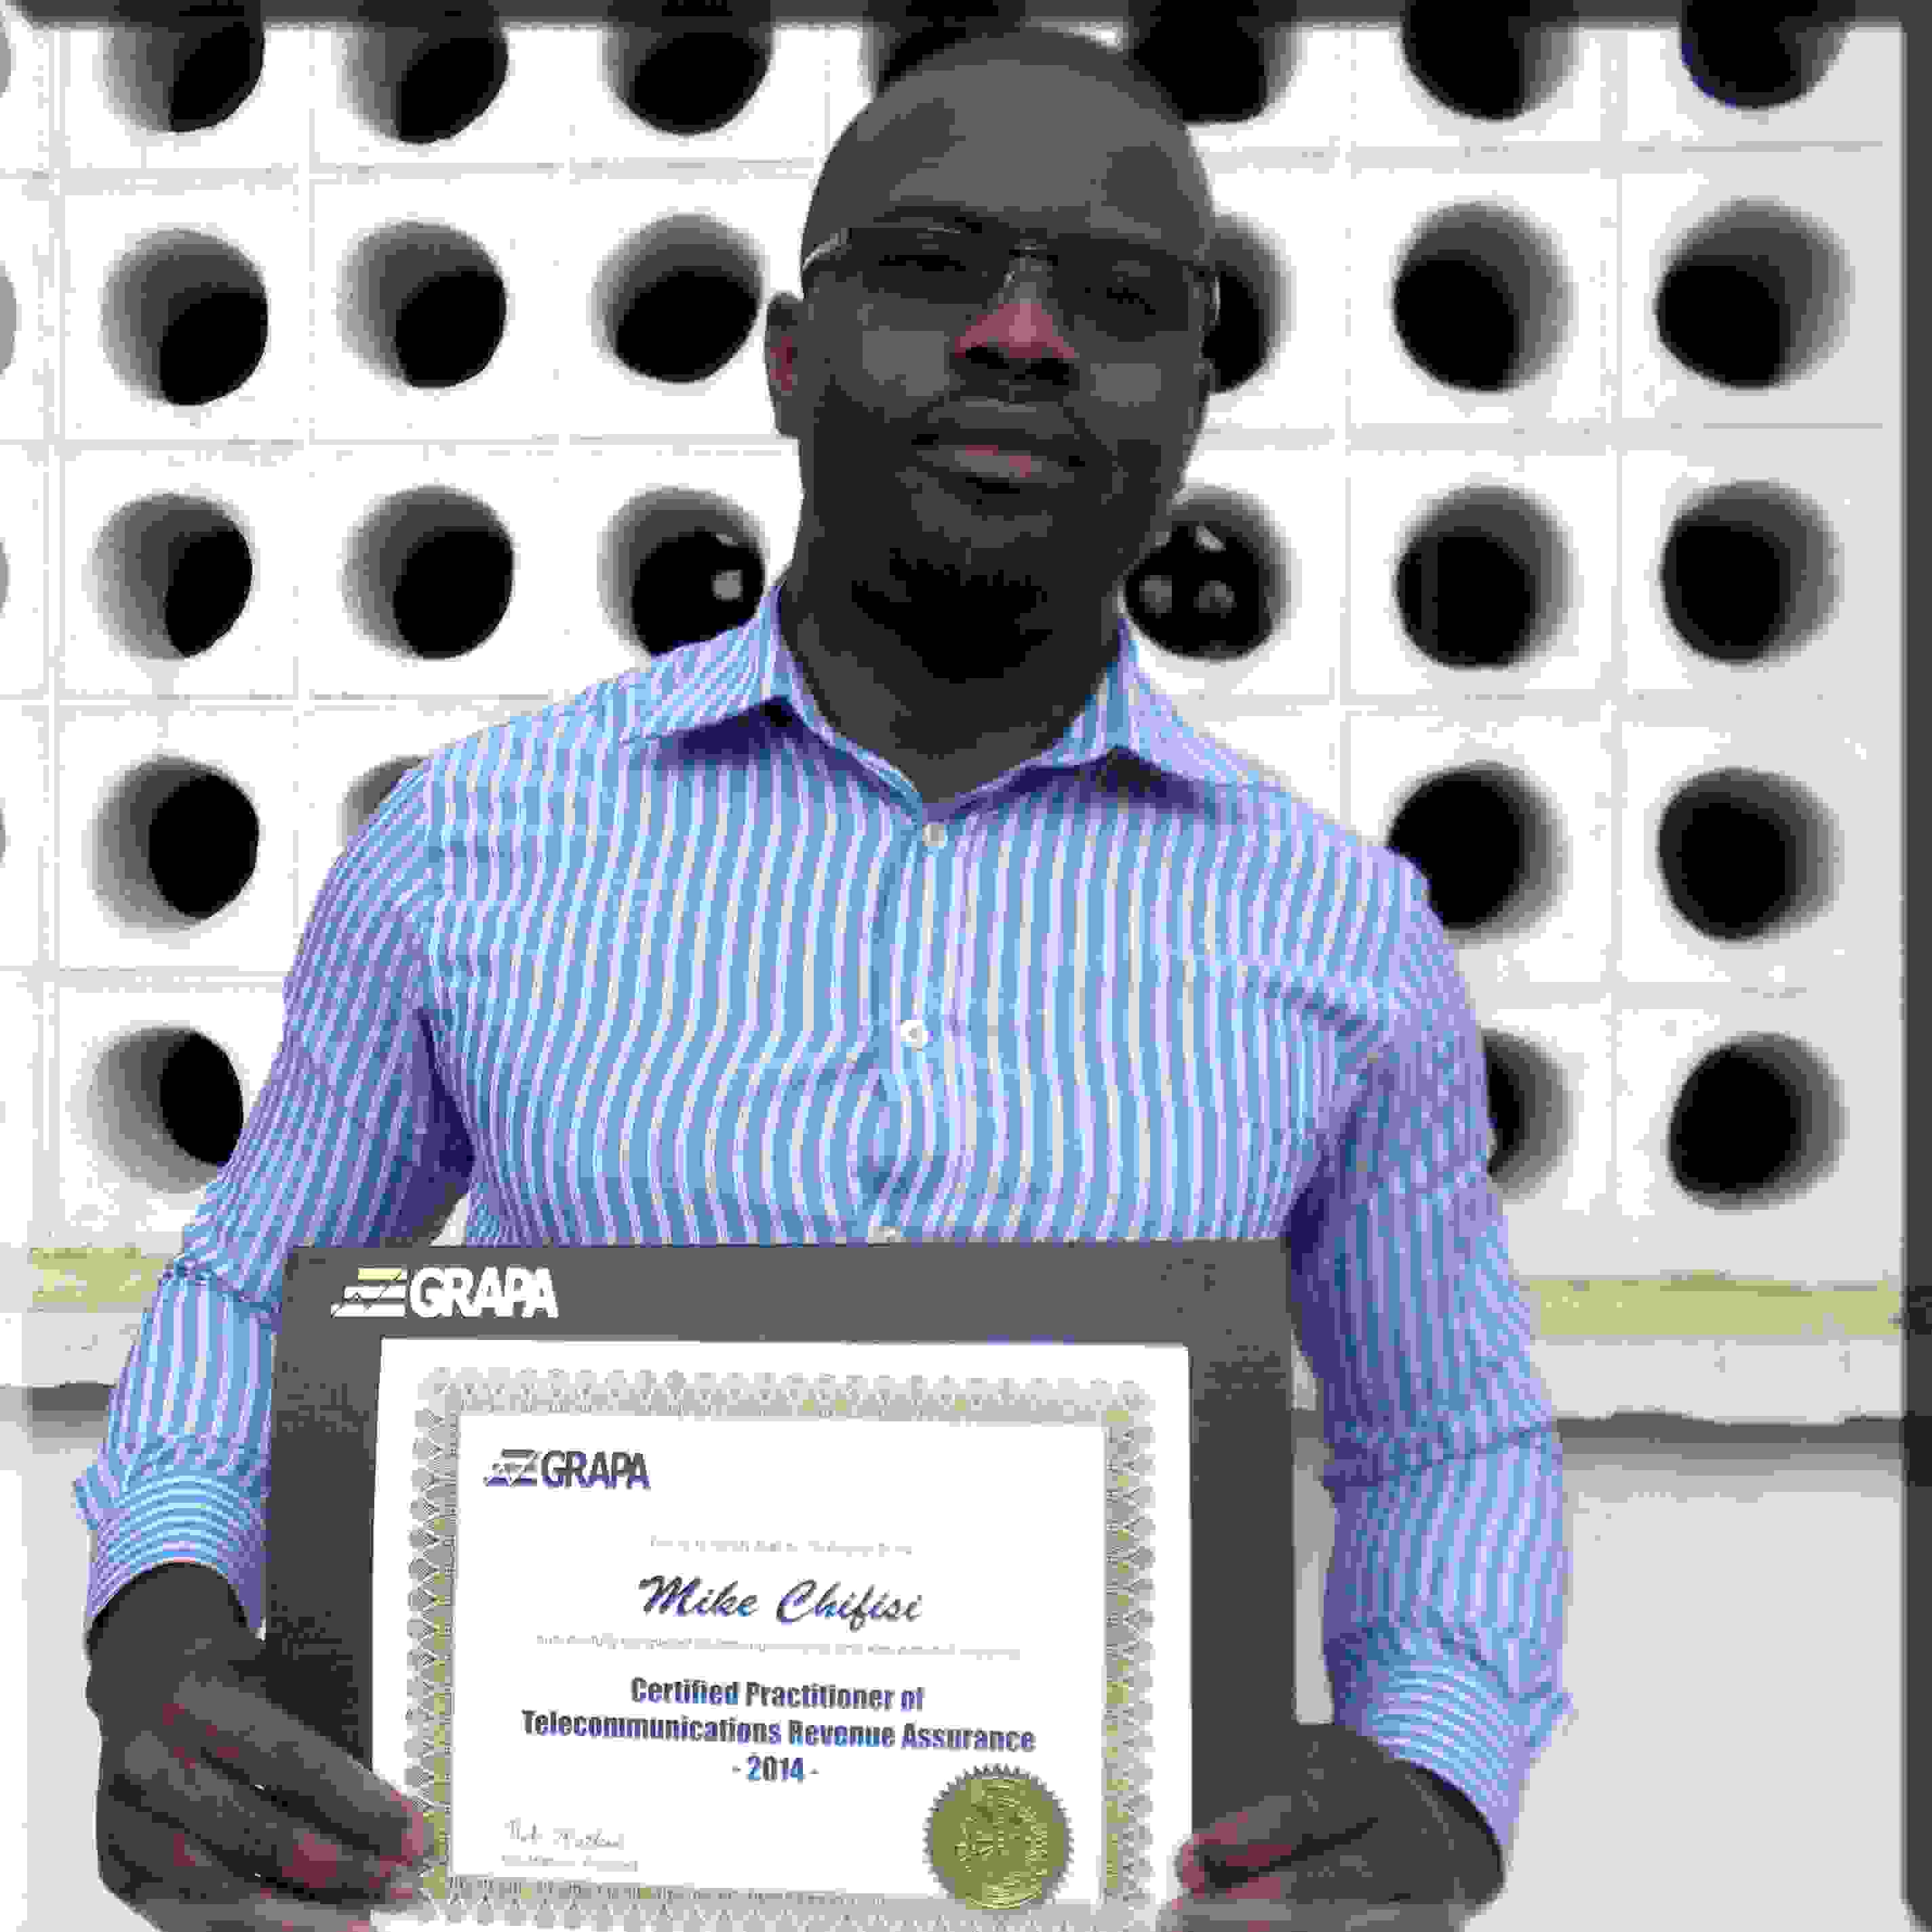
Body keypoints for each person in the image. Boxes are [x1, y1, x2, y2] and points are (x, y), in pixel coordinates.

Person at [77, 25, 1573, 1931]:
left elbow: (1446, 1436)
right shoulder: (471, 844)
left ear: (1194, 398)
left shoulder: (1339, 935)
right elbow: (249, 1290)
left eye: (1118, 299)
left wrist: (1433, 1786)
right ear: (790, 357)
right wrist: (163, 1649)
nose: (1022, 338)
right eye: (935, 268)